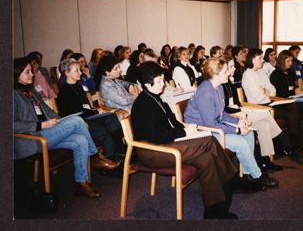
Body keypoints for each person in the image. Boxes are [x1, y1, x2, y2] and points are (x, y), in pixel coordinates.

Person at [131, 61, 239, 219]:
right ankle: (231, 179)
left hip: (164, 145)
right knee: (208, 140)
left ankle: (213, 209)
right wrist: (183, 132)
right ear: (147, 84)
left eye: (163, 80)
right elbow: (156, 136)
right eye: (159, 81)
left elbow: (173, 124)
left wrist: (188, 130)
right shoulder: (143, 104)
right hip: (151, 151)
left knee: (207, 158)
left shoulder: (155, 98)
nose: (164, 84)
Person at [14, 57, 119, 198]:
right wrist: (40, 124)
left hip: (46, 133)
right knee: (77, 120)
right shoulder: (12, 94)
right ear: (16, 74)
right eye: (27, 72)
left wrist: (59, 121)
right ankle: (95, 156)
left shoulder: (31, 91)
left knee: (80, 139)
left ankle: (81, 184)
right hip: (31, 138)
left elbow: (48, 111)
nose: (32, 74)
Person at [184, 58, 279, 189]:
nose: (229, 73)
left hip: (212, 126)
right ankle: (258, 176)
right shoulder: (205, 92)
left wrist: (238, 121)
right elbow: (210, 125)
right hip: (201, 132)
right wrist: (237, 130)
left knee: (249, 133)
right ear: (215, 74)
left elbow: (221, 114)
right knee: (240, 142)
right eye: (225, 71)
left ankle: (248, 174)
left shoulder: (219, 87)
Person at [57, 58, 125, 161]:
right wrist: (95, 111)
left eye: (80, 70)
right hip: (79, 122)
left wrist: (96, 111)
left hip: (88, 117)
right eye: (77, 70)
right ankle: (109, 159)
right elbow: (74, 113)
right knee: (103, 131)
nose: (80, 73)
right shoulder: (64, 92)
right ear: (67, 73)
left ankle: (121, 151)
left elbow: (86, 106)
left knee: (112, 117)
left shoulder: (79, 87)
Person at [242, 48, 303, 157]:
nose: (263, 60)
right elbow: (258, 97)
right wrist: (265, 92)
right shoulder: (248, 75)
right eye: (260, 58)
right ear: (252, 59)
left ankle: (291, 143)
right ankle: (289, 145)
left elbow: (273, 90)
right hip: (258, 107)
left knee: (293, 106)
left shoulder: (261, 72)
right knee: (289, 113)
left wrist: (265, 92)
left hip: (268, 103)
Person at [223, 58, 284, 171]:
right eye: (231, 66)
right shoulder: (221, 84)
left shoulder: (228, 82)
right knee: (266, 114)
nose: (235, 68)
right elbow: (224, 109)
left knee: (264, 124)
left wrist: (241, 108)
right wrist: (239, 109)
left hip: (238, 111)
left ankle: (265, 160)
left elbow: (235, 102)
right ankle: (280, 141)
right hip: (232, 115)